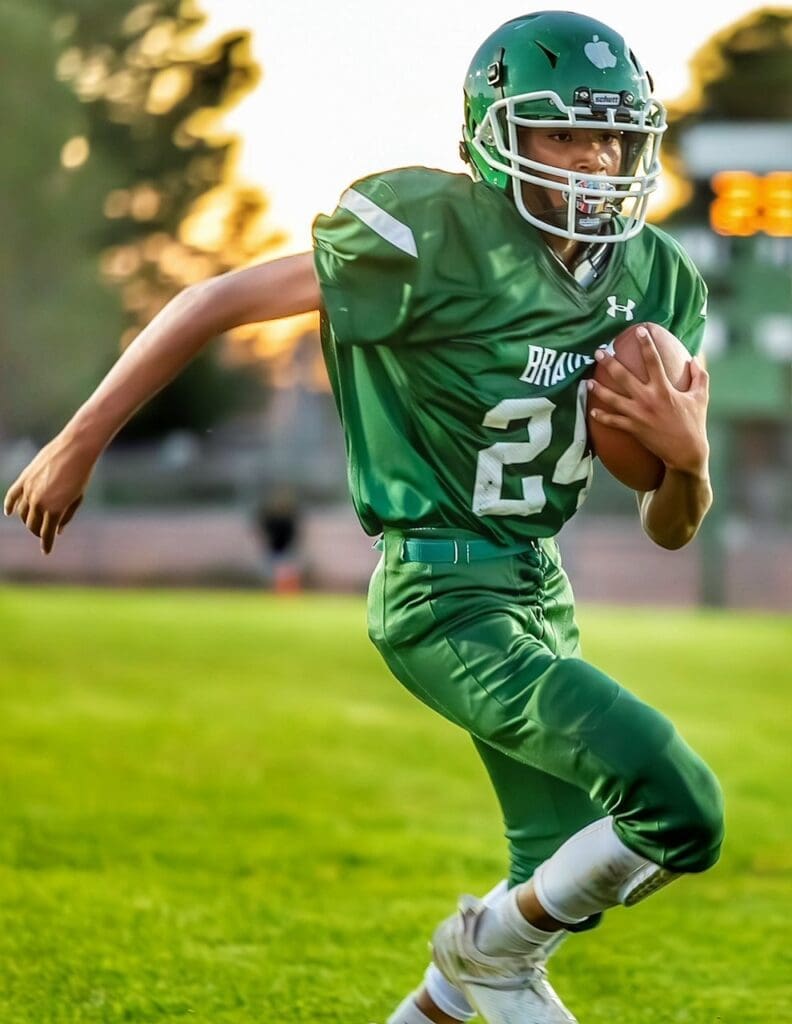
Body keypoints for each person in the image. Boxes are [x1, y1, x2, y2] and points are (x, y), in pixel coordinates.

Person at [4, 12, 723, 1024]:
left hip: (536, 586)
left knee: (558, 890)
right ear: (496, 134)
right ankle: (483, 950)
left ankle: (467, 978)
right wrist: (79, 440)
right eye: (563, 132)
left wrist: (687, 457)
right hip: (442, 590)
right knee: (680, 806)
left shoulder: (657, 283)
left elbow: (670, 526)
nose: (596, 157)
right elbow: (213, 299)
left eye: (609, 133)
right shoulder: (429, 234)